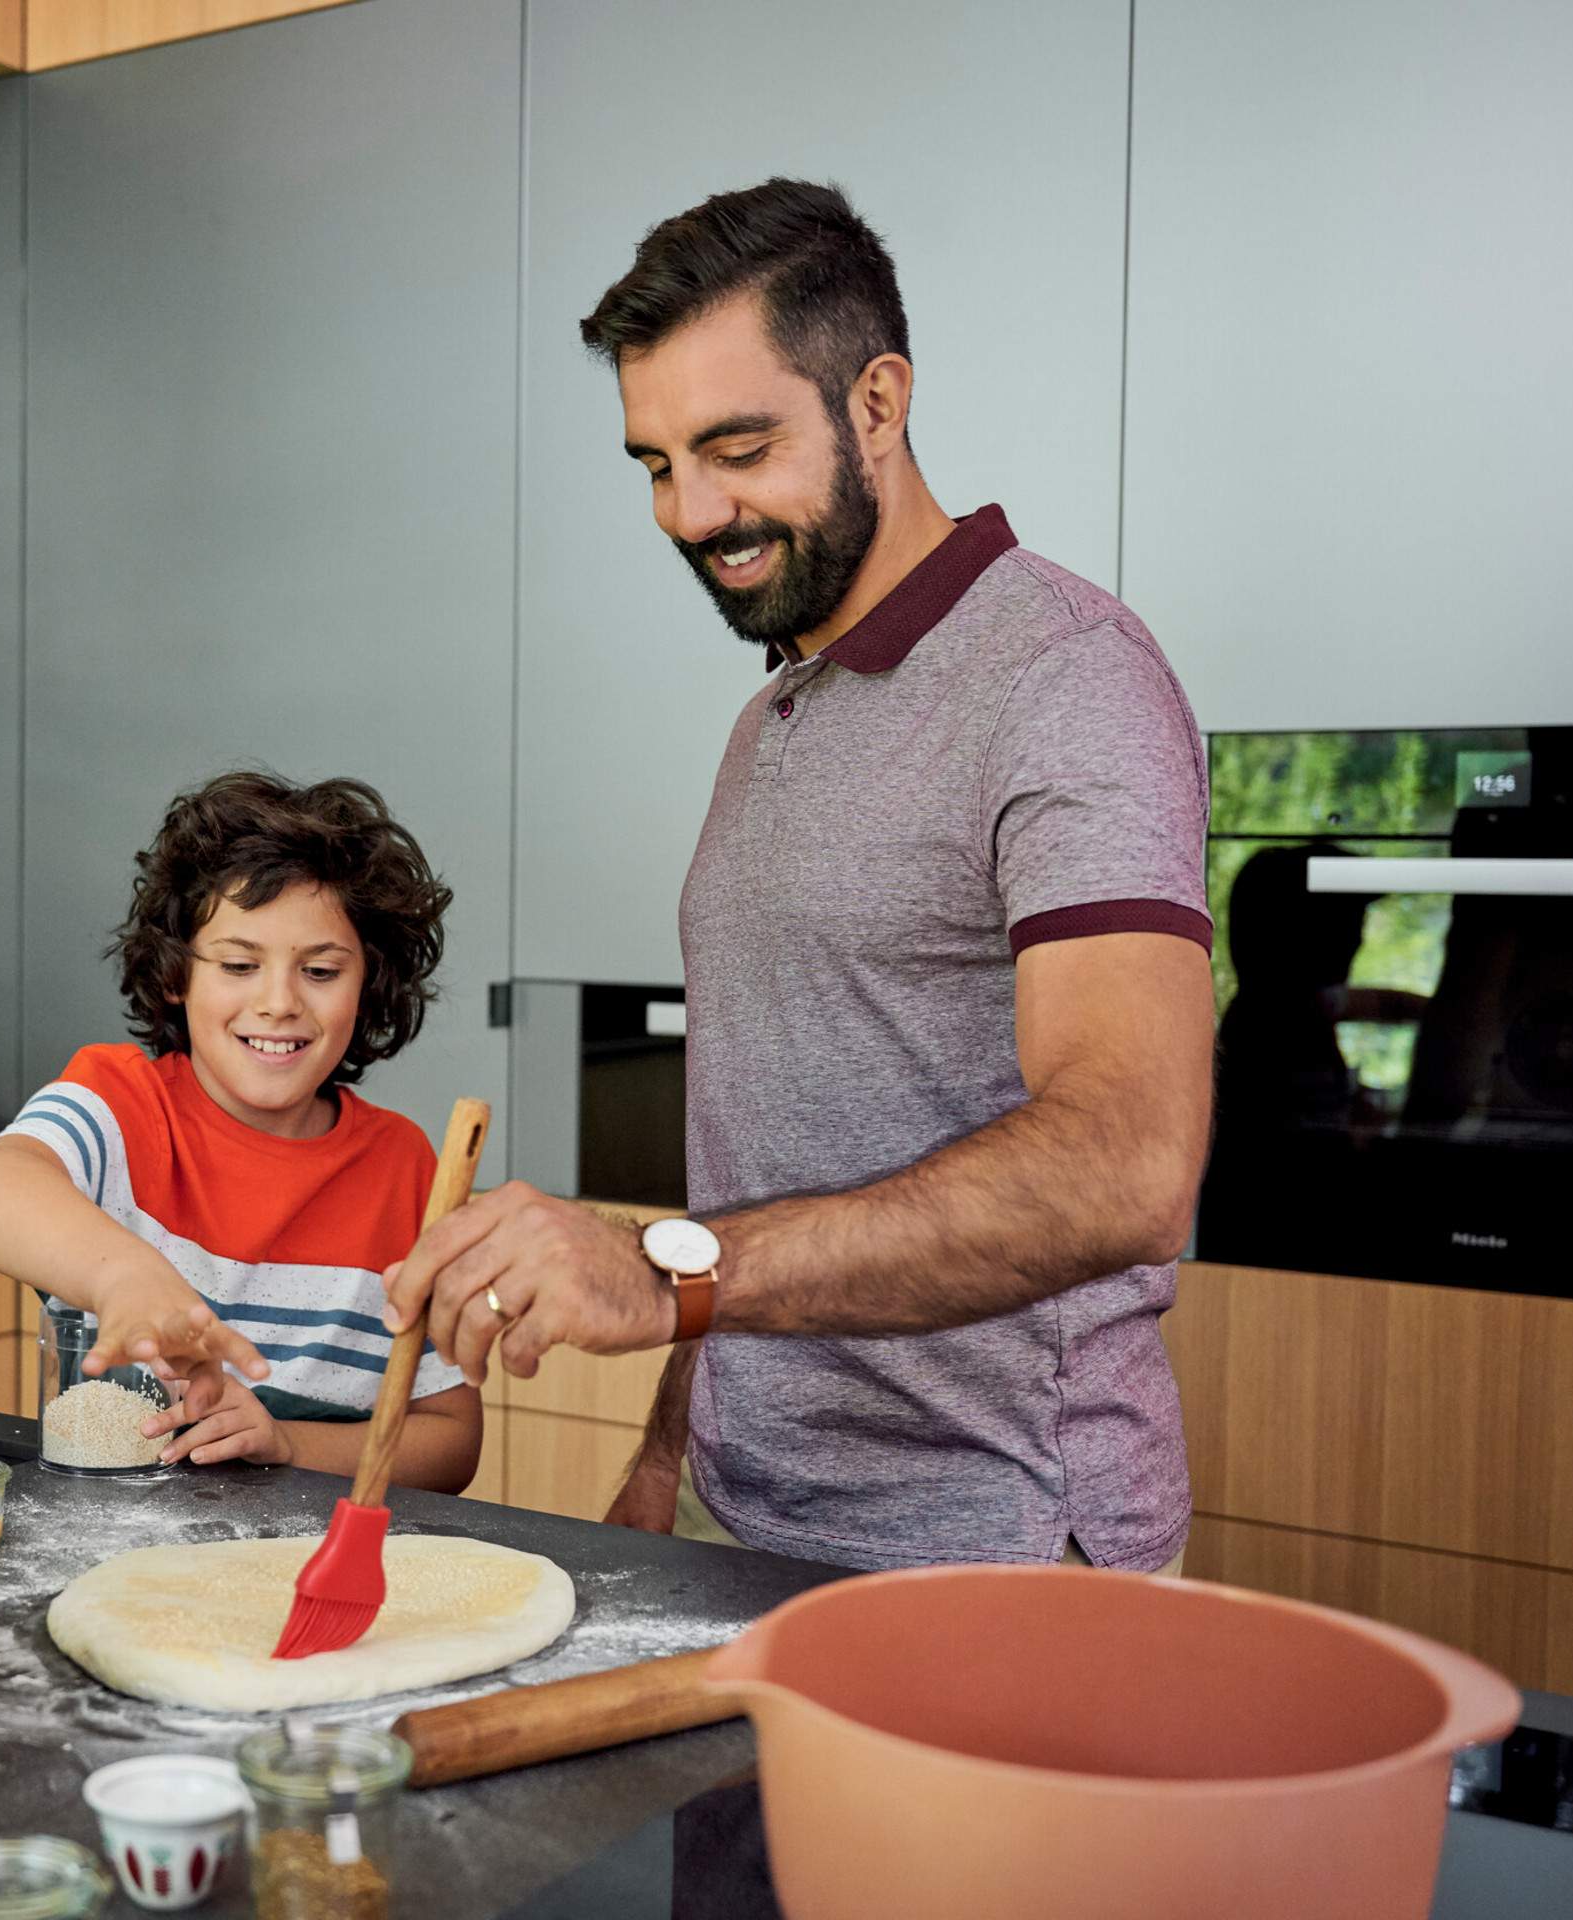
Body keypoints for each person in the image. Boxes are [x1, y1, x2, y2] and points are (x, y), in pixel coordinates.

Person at [384, 179, 1214, 1572]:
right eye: (654, 463)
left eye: (737, 447)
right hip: (740, 1517)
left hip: (994, 1547)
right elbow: (763, 1158)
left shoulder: (1066, 677)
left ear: (877, 404)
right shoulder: (772, 719)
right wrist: (667, 1453)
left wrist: (652, 1274)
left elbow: (1130, 1167)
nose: (690, 511)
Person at [0, 770, 481, 1491]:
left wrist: (285, 1441)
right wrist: (129, 1281)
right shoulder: (122, 1103)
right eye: (237, 965)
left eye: (320, 970)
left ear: (371, 985)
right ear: (176, 976)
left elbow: (450, 1443)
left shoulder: (405, 1167)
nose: (279, 1003)